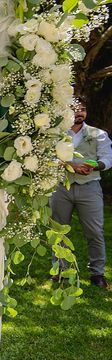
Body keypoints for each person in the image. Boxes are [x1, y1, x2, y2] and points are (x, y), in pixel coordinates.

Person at [50, 96, 112, 289]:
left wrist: (95, 167)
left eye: (83, 109)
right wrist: (71, 166)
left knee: (95, 232)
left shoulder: (98, 134)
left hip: (90, 187)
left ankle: (97, 273)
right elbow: (49, 159)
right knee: (58, 230)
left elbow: (107, 158)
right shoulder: (55, 134)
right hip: (61, 187)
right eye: (75, 108)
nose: (80, 112)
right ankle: (60, 271)